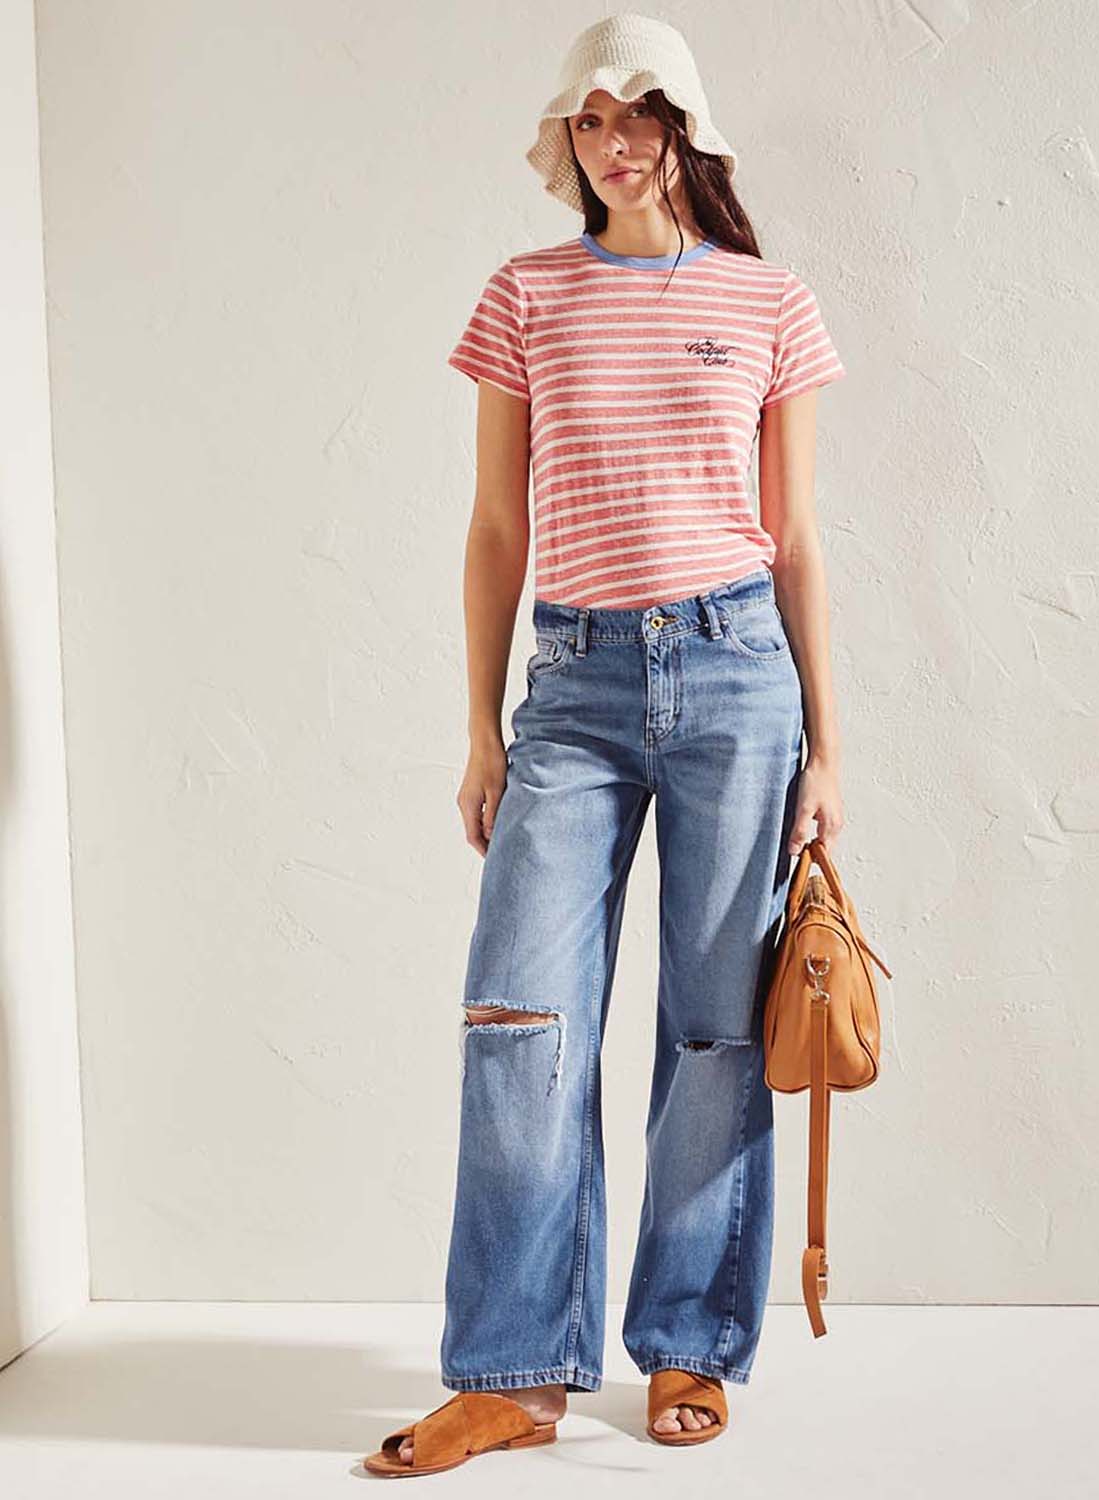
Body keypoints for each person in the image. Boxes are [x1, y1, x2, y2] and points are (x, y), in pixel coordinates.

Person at [363, 11, 847, 1478]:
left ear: (686, 129)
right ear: (565, 138)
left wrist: (832, 753)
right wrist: (479, 728)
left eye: (642, 114)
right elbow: (494, 527)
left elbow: (797, 541)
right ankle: (514, 1373)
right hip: (570, 687)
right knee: (520, 1020)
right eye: (592, 118)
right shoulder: (525, 295)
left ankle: (691, 1341)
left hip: (738, 677)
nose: (617, 141)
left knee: (714, 1029)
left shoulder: (769, 301)